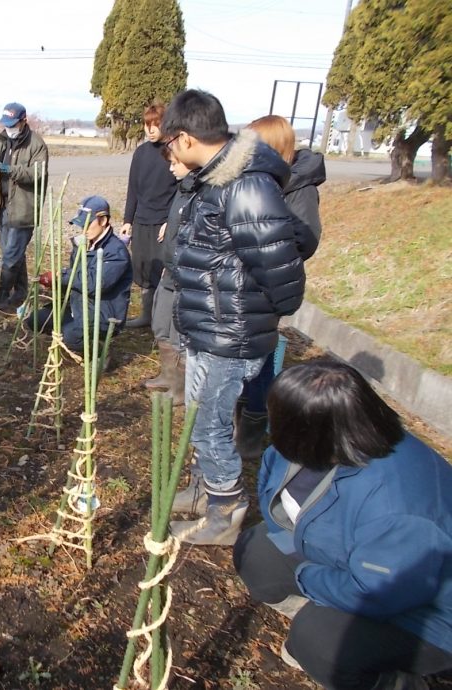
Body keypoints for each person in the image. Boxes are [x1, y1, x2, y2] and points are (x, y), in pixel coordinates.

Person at [234, 360, 452, 690]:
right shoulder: (316, 444)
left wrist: (308, 578)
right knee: (258, 554)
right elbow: (274, 498)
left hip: (425, 615)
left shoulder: (400, 506)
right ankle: (327, 625)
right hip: (352, 564)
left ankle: (396, 679)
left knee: (319, 640)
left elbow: (380, 592)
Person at [162, 89, 308, 546]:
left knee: (209, 424)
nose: (170, 152)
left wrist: (252, 317)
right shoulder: (217, 178)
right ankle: (205, 490)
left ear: (185, 138)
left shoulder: (246, 185)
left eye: (169, 143)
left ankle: (225, 512)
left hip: (230, 333)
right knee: (202, 420)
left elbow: (281, 269)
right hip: (211, 327)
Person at [235, 114, 327, 459]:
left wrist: (266, 244)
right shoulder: (260, 181)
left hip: (267, 286)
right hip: (244, 282)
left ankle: (253, 428)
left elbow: (305, 239)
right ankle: (240, 416)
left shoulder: (298, 188)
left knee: (257, 358)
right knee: (242, 353)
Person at [31, 196, 133, 353]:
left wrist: (60, 276)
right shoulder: (82, 245)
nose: (83, 230)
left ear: (103, 220)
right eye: (81, 225)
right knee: (35, 320)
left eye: (87, 224)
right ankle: (75, 331)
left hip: (102, 314)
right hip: (77, 306)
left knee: (70, 336)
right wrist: (55, 284)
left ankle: (99, 351)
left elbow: (95, 284)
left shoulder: (116, 252)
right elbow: (76, 278)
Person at [0, 102, 49, 311]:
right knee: (12, 253)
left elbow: (37, 174)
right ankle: (20, 292)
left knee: (10, 257)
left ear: (23, 121)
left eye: (12, 124)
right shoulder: (0, 140)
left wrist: (10, 170)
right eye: (6, 124)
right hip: (2, 206)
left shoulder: (36, 144)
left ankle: (3, 297)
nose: (9, 128)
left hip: (24, 209)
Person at [142, 151, 194, 404]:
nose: (171, 168)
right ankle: (167, 375)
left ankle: (180, 390)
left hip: (186, 275)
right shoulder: (182, 190)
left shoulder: (201, 192)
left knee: (179, 334)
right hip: (170, 269)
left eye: (176, 163)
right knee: (161, 324)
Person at [120, 103, 179, 329]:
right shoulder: (141, 153)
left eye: (156, 125)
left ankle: (160, 320)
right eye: (147, 125)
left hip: (162, 222)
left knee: (160, 270)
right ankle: (146, 315)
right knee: (142, 267)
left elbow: (179, 190)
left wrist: (171, 221)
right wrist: (127, 220)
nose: (151, 130)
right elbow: (132, 188)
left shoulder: (173, 152)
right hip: (141, 220)